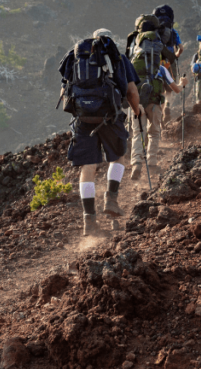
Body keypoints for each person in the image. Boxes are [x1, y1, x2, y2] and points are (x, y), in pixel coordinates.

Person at [59, 29, 141, 235]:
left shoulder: (75, 58)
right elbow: (131, 92)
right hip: (109, 117)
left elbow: (64, 92)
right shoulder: (118, 58)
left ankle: (89, 222)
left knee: (87, 168)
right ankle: (111, 199)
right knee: (118, 158)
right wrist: (137, 112)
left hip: (83, 119)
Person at [127, 16, 182, 180]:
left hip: (137, 102)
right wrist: (183, 83)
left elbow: (127, 86)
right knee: (154, 133)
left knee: (138, 133)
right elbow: (176, 89)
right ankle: (151, 162)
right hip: (155, 102)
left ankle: (136, 164)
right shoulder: (161, 67)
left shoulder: (132, 62)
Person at [153, 4, 183, 122]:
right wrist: (175, 56)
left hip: (156, 63)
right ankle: (168, 107)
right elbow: (181, 48)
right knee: (169, 89)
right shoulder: (173, 32)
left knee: (159, 89)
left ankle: (159, 112)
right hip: (169, 63)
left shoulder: (154, 32)